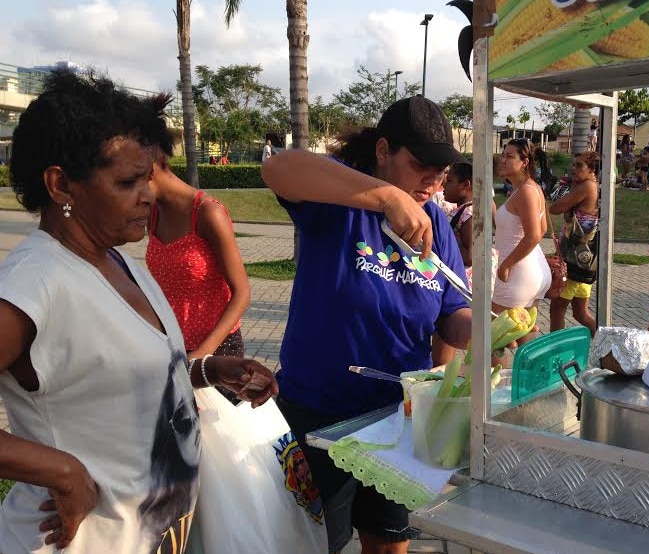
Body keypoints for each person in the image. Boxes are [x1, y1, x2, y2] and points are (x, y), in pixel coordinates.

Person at [0, 70, 277, 554]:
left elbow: (116, 379)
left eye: (147, 178)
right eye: (128, 182)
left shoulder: (120, 260)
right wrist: (61, 472)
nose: (149, 195)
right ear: (61, 185)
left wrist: (208, 370)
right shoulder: (33, 284)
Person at [261, 95, 472, 554]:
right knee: (316, 543)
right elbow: (278, 167)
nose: (434, 181)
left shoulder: (436, 221)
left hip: (396, 418)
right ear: (383, 151)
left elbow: (452, 315)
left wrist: (485, 330)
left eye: (441, 171)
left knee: (390, 542)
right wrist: (387, 196)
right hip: (319, 412)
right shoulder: (340, 201)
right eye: (421, 166)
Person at [144, 99, 251, 403]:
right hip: (172, 347)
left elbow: (241, 292)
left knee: (222, 443)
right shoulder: (151, 214)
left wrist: (203, 356)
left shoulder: (207, 213)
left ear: (152, 166)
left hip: (219, 350)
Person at [492, 139, 551, 324]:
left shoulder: (526, 191)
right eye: (503, 155)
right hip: (530, 270)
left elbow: (534, 234)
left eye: (509, 156)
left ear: (524, 162)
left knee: (491, 339)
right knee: (524, 338)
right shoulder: (528, 188)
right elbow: (543, 229)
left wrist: (506, 265)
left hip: (515, 274)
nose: (503, 160)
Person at [549, 150, 600, 336]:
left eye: (579, 165)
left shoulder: (587, 186)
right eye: (573, 164)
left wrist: (570, 187)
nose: (574, 169)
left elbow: (555, 207)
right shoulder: (592, 185)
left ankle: (556, 352)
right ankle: (607, 344)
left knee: (557, 309)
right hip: (585, 260)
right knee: (580, 313)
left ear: (592, 169)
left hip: (575, 261)